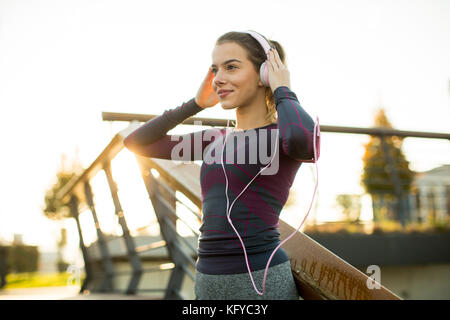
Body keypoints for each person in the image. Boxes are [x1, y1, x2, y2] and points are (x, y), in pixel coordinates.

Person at [123, 31, 316, 300]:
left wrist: (282, 89)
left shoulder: (281, 137)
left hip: (260, 282)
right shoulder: (214, 138)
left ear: (264, 74)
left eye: (231, 67)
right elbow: (136, 142)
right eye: (215, 70)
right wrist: (195, 104)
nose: (218, 79)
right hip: (207, 280)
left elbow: (302, 141)